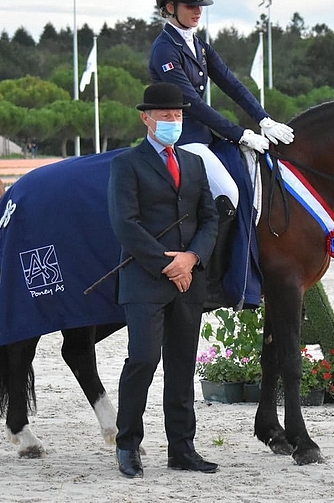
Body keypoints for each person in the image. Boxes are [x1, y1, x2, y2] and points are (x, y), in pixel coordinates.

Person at [149, 0, 295, 309]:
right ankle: (215, 275)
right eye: (189, 5)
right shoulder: (164, 50)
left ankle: (245, 270)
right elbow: (193, 105)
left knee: (251, 176)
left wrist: (263, 119)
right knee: (228, 191)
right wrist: (240, 132)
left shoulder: (197, 45)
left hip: (206, 137)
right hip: (182, 139)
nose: (197, 11)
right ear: (169, 8)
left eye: (200, 5)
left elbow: (232, 84)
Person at [108, 82, 219, 479]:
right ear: (146, 117)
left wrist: (192, 258)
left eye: (178, 115)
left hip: (189, 281)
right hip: (145, 280)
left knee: (181, 365)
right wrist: (165, 264)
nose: (173, 121)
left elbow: (209, 218)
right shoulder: (127, 163)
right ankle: (127, 444)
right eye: (166, 115)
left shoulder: (193, 163)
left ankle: (182, 448)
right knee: (142, 360)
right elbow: (125, 223)